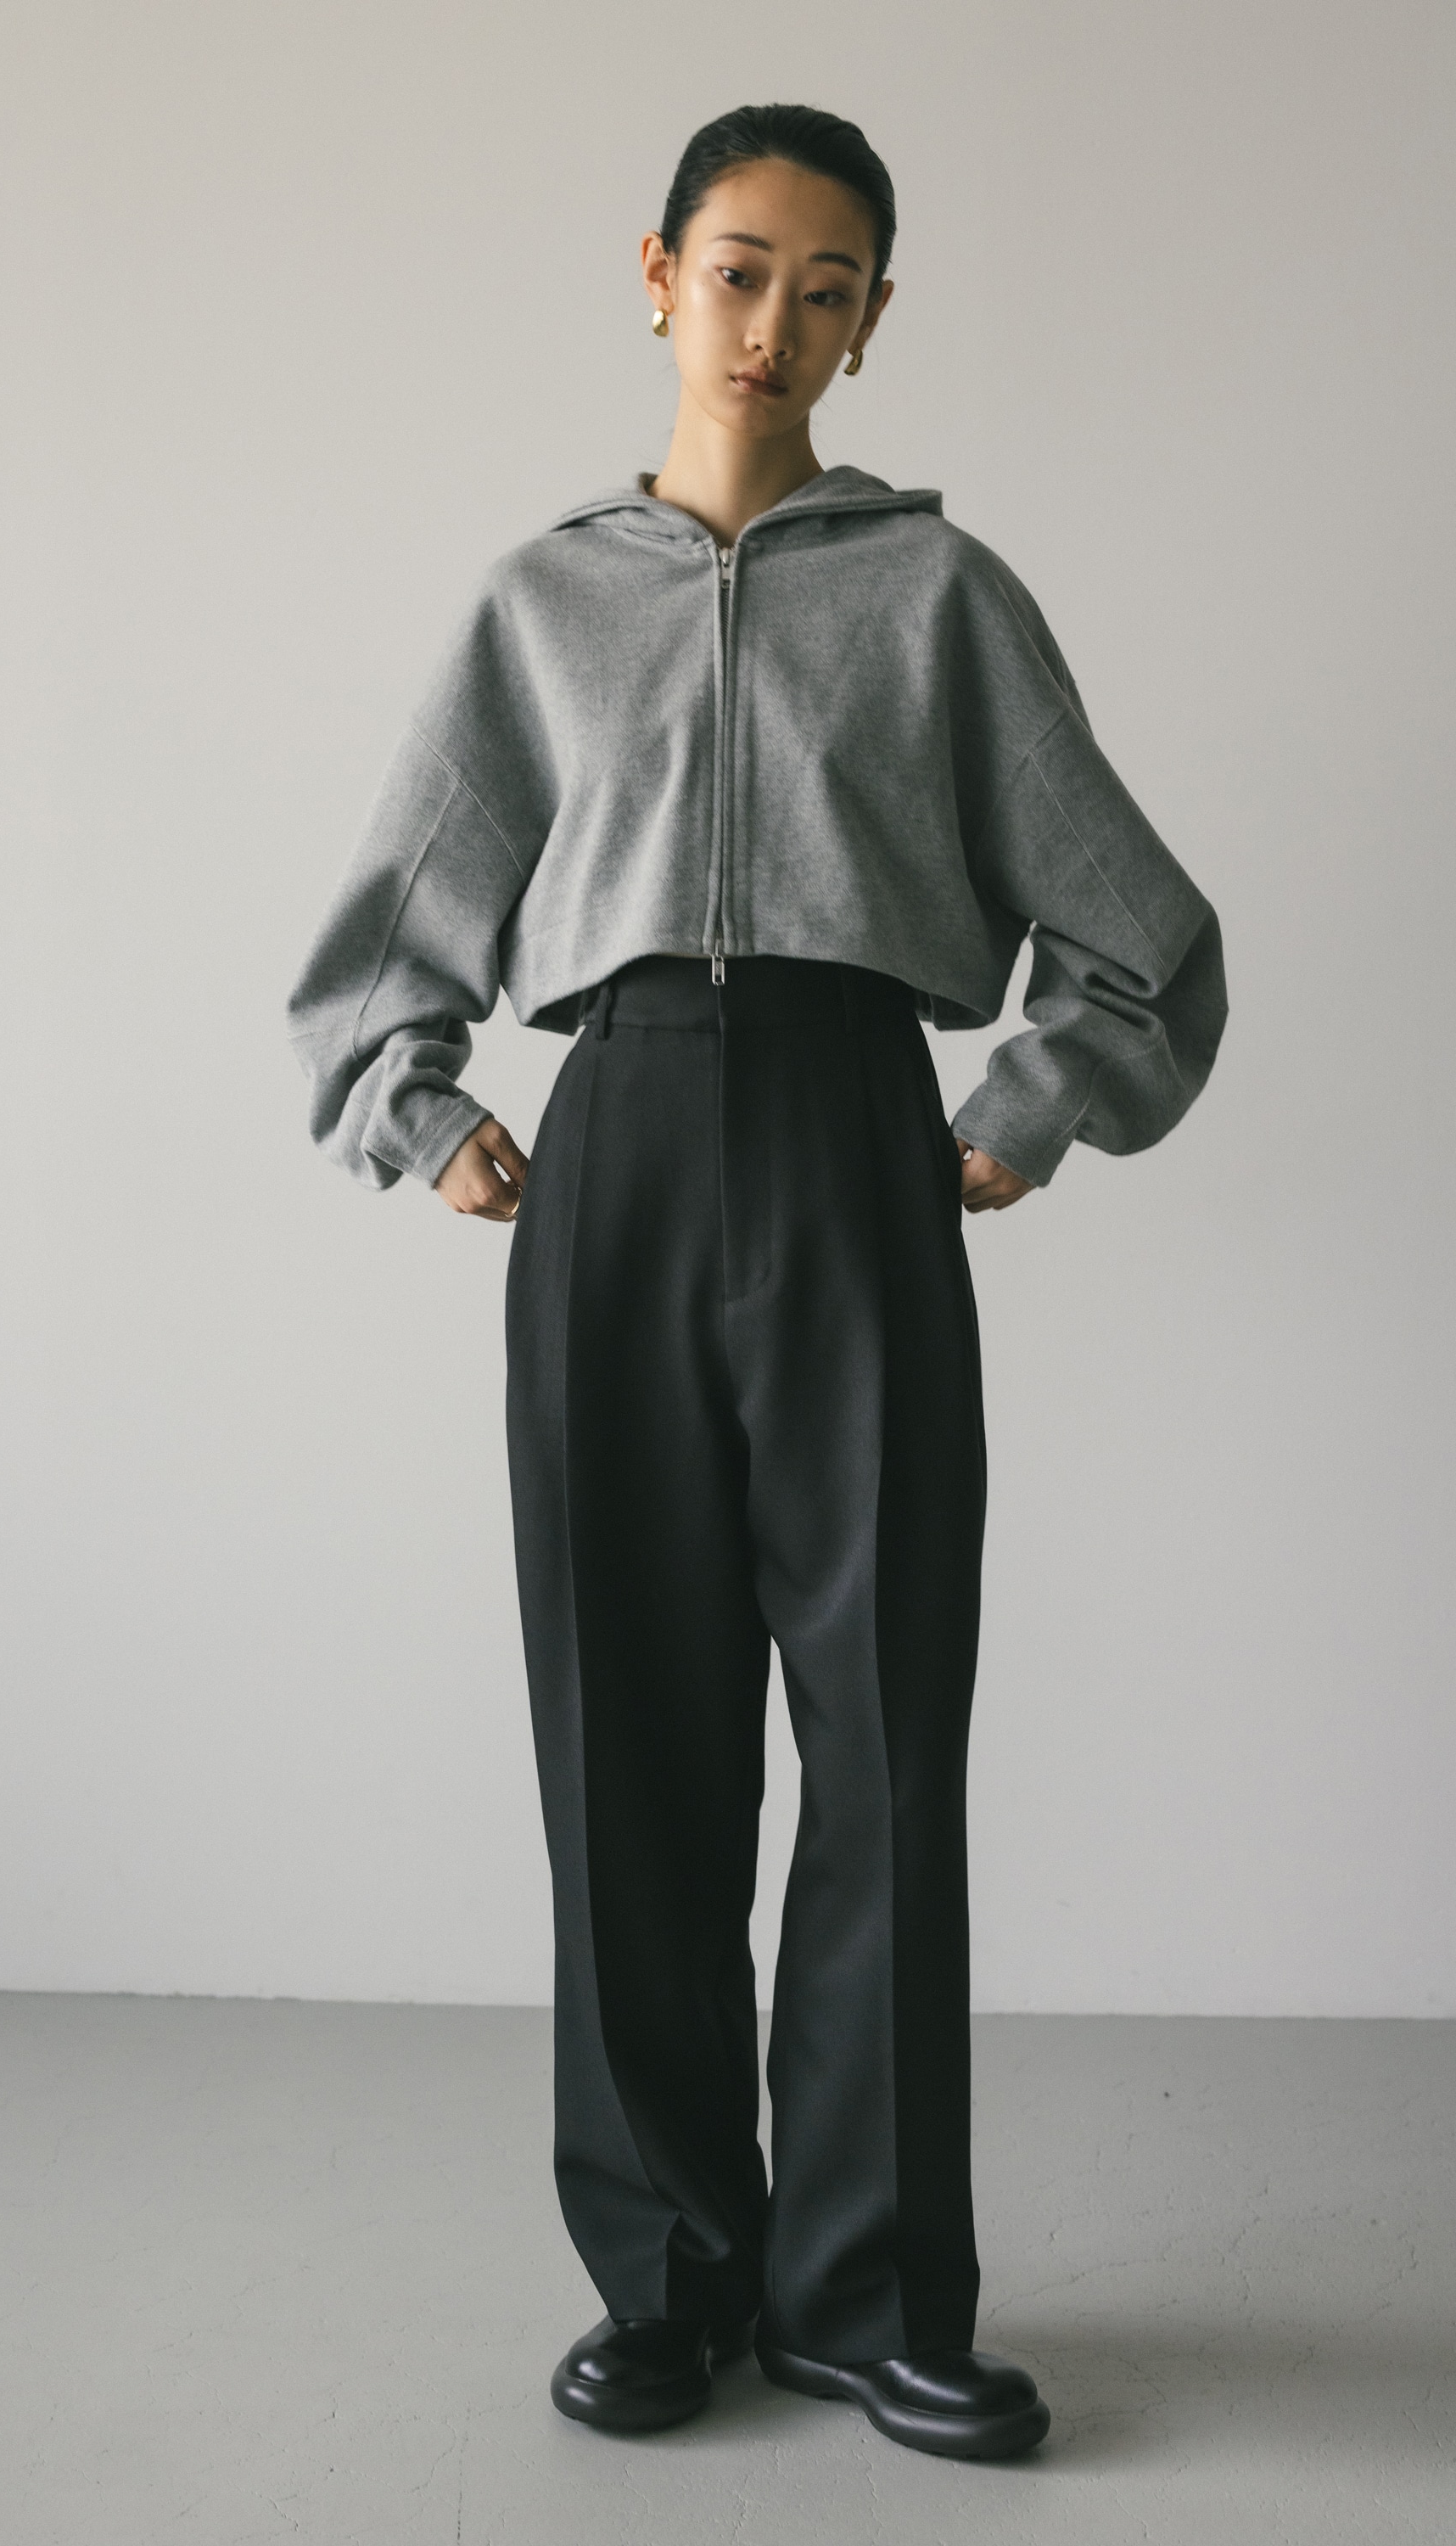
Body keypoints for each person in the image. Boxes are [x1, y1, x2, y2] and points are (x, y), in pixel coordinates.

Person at [288, 102, 1225, 2465]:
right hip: (615, 1150)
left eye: (828, 289)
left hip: (851, 1144)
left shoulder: (940, 600)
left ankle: (875, 2295)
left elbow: (1141, 937)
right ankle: (668, 2273)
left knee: (886, 1736)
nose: (774, 324)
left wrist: (1025, 1110)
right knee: (634, 1739)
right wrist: (425, 1111)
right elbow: (384, 936)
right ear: (659, 274)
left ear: (875, 319)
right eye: (739, 272)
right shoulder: (541, 605)